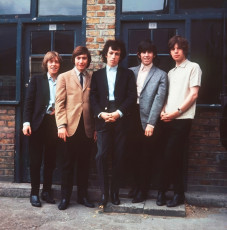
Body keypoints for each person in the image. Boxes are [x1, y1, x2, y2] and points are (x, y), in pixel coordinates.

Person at [90, 39, 137, 207]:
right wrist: (101, 114)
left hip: (121, 119)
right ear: (105, 54)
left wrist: (118, 113)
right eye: (111, 53)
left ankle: (115, 192)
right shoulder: (97, 75)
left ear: (120, 56)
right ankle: (104, 193)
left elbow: (132, 96)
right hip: (102, 118)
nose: (114, 56)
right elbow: (92, 97)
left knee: (119, 157)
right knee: (101, 155)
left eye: (117, 54)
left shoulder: (128, 74)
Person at [157, 35, 202, 207]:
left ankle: (177, 193)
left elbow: (194, 95)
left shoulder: (193, 67)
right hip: (167, 119)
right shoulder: (171, 72)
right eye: (172, 48)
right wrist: (163, 111)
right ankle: (162, 192)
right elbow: (167, 96)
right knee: (165, 156)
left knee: (173, 156)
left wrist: (175, 113)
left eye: (179, 48)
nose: (176, 51)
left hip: (182, 119)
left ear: (184, 49)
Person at [55, 46, 95, 210]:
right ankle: (65, 198)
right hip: (69, 127)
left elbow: (95, 103)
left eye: (84, 58)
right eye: (78, 58)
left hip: (87, 128)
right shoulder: (64, 77)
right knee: (67, 164)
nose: (81, 61)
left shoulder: (92, 77)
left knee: (84, 164)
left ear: (87, 61)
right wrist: (61, 125)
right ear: (74, 60)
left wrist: (96, 128)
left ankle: (83, 196)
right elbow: (59, 103)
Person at [127, 40, 168, 203]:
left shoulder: (161, 75)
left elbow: (159, 100)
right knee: (132, 155)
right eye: (143, 52)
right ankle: (135, 186)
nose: (146, 55)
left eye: (149, 52)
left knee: (145, 156)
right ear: (139, 55)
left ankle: (142, 191)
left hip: (149, 119)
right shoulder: (131, 72)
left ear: (154, 55)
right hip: (131, 118)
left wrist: (151, 123)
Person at [23, 51, 62, 207]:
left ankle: (46, 191)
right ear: (46, 64)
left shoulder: (63, 80)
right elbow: (28, 102)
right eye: (50, 62)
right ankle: (34, 193)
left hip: (55, 124)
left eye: (56, 62)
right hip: (38, 125)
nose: (53, 64)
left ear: (59, 64)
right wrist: (26, 122)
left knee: (50, 161)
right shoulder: (37, 80)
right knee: (35, 161)